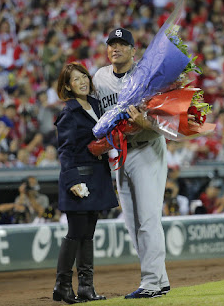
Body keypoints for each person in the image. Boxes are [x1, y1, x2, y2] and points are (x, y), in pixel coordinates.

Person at [93, 27, 170, 299]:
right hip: (121, 154)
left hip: (148, 148)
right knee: (133, 222)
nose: (116, 48)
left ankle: (150, 283)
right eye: (112, 44)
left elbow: (166, 121)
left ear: (133, 50)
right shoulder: (100, 77)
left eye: (122, 44)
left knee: (148, 218)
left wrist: (145, 122)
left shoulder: (147, 75)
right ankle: (160, 279)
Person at [53, 62, 118, 304]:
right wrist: (72, 181)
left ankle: (86, 287)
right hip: (79, 179)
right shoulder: (69, 112)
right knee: (76, 233)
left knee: (88, 233)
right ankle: (62, 285)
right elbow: (65, 151)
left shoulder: (96, 105)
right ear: (67, 86)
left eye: (84, 77)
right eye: (76, 79)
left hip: (97, 176)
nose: (82, 82)